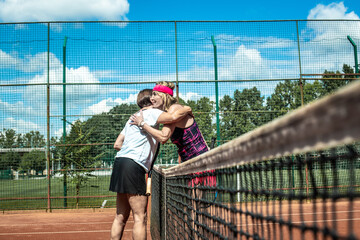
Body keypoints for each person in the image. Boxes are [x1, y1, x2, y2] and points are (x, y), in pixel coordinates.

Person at [109, 89, 191, 240]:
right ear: (151, 101)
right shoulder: (152, 112)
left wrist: (134, 149)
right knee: (140, 217)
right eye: (153, 96)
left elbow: (117, 144)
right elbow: (173, 116)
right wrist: (187, 108)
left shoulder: (131, 118)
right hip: (133, 165)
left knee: (120, 216)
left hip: (120, 162)